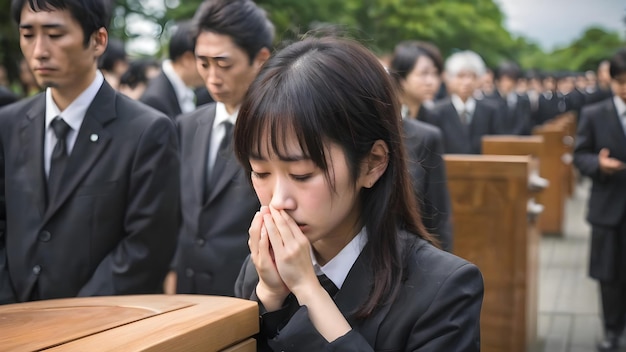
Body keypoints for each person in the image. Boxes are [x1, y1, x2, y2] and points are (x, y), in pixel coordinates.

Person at [233, 36, 483, 351]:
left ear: (372, 163)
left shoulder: (444, 289)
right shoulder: (261, 268)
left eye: (302, 174)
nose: (279, 200)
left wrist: (309, 291)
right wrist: (269, 296)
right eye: (261, 172)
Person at [0, 0, 180, 304]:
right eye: (28, 34)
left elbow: (146, 247)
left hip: (101, 328)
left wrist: (77, 318)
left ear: (98, 41)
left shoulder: (146, 131)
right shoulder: (8, 124)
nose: (39, 50)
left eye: (55, 35)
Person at [167, 0, 272, 296]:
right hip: (186, 290)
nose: (212, 77)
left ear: (260, 58)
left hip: (248, 292)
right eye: (203, 63)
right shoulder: (187, 125)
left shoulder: (275, 133)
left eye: (224, 63)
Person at [573, 48, 626, 352]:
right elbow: (580, 156)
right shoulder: (595, 114)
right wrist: (599, 165)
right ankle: (611, 329)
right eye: (621, 82)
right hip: (608, 207)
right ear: (611, 82)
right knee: (609, 275)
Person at [389, 40, 453, 251]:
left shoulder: (434, 120)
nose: (431, 81)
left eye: (435, 74)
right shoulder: (387, 123)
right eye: (423, 74)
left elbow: (439, 210)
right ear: (401, 76)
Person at [422, 50, 501, 154]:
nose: (467, 82)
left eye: (473, 76)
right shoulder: (436, 111)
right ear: (449, 78)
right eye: (461, 76)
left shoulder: (491, 110)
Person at [140, 21, 204, 119]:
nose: (212, 71)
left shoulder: (183, 89)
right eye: (206, 62)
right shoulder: (156, 101)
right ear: (187, 59)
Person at [485, 61, 532, 135]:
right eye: (505, 80)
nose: (508, 84)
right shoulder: (488, 100)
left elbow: (525, 123)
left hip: (518, 141)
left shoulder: (523, 101)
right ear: (497, 81)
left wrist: (512, 138)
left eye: (511, 80)